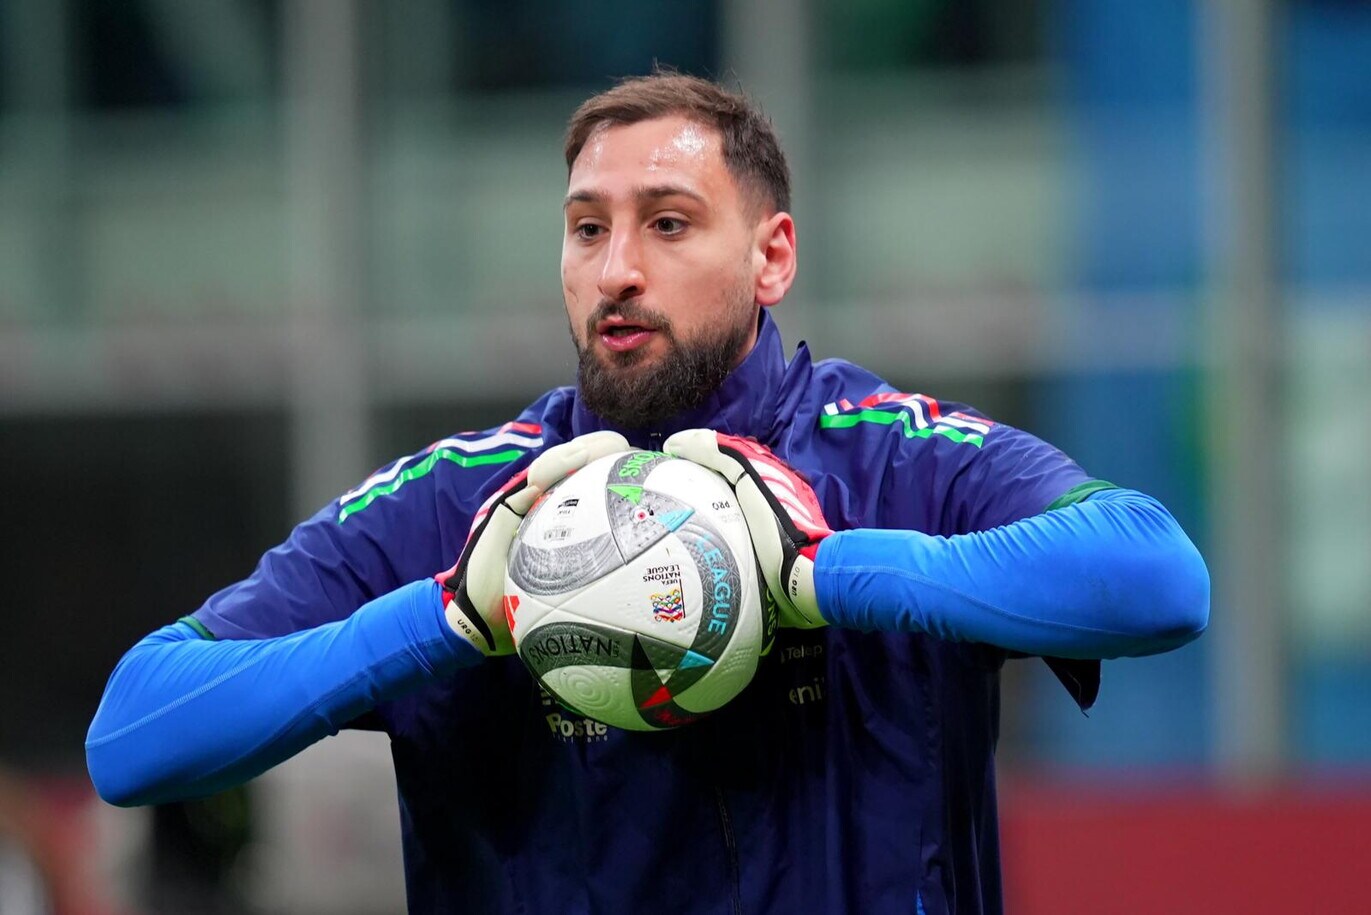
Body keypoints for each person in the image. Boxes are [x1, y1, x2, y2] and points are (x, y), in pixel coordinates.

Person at [87, 72, 1209, 914]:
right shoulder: (464, 503)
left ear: (771, 258)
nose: (617, 268)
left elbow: (1157, 576)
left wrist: (823, 572)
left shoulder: (891, 458)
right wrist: (449, 616)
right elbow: (133, 735)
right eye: (588, 229)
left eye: (668, 223)